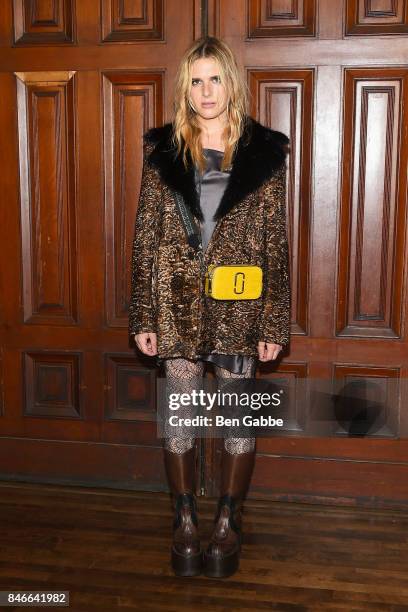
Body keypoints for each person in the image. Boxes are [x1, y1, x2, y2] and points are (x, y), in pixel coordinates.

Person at [129, 36, 290, 578]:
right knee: (179, 409)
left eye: (214, 78)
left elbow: (275, 242)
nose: (205, 91)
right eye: (195, 81)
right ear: (185, 89)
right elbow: (145, 237)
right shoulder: (164, 154)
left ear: (231, 83)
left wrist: (274, 320)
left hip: (239, 304)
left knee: (236, 413)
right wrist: (144, 316)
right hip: (174, 301)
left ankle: (228, 518)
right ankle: (184, 519)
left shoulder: (264, 154)